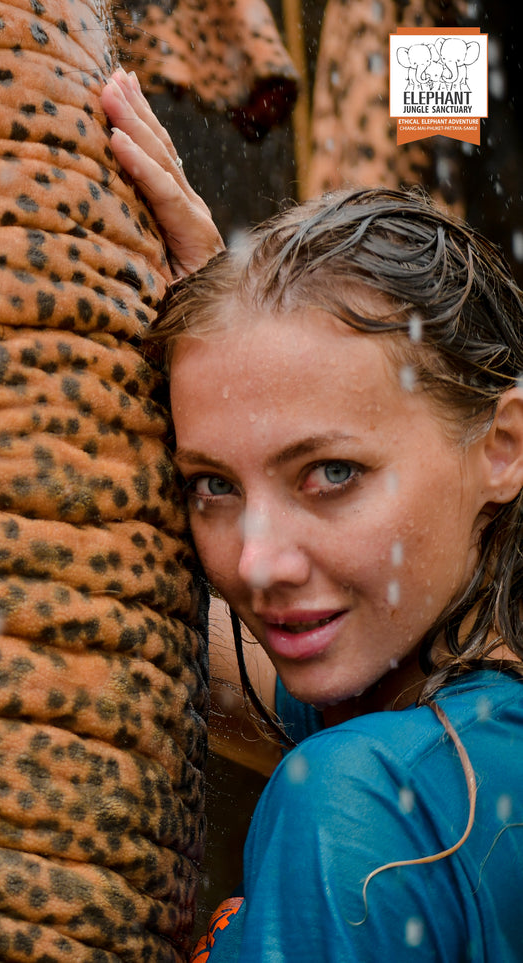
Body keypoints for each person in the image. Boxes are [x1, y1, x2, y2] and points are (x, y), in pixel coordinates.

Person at [99, 69, 523, 961]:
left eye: (330, 472)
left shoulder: (356, 801)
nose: (255, 565)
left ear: (502, 446)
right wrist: (238, 336)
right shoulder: (465, 726)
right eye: (211, 484)